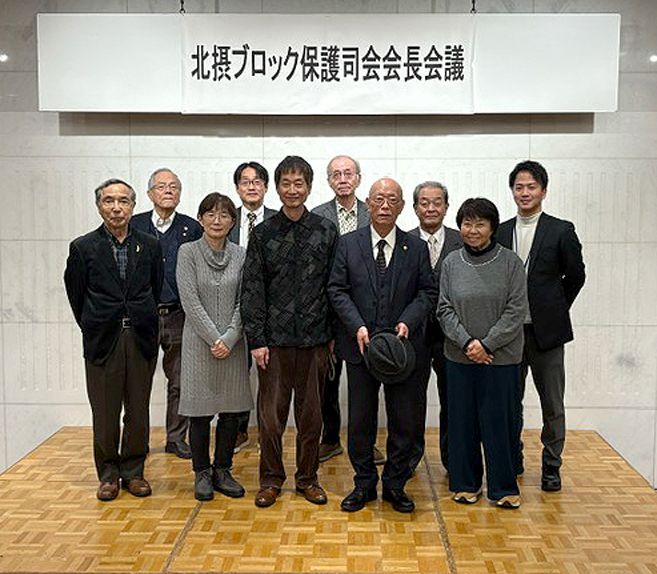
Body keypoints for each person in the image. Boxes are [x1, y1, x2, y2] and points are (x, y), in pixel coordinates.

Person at [328, 177, 437, 513]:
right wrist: (357, 326)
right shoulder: (348, 244)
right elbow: (336, 289)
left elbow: (427, 292)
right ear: (368, 204)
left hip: (402, 350)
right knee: (360, 420)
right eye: (378, 199)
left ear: (402, 206)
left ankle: (395, 484)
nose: (385, 205)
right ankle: (363, 484)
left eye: (392, 199)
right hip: (360, 348)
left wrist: (408, 321)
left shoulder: (415, 247)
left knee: (404, 420)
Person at [241, 155, 338, 508]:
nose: (292, 190)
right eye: (286, 183)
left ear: (309, 188)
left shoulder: (326, 230)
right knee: (270, 418)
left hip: (315, 340)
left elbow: (335, 285)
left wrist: (332, 336)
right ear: (277, 188)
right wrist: (257, 340)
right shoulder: (262, 233)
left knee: (311, 418)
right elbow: (252, 289)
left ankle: (308, 479)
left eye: (299, 183)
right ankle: (270, 479)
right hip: (274, 343)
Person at [64, 178, 163, 501]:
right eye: (109, 201)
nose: (116, 208)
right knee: (105, 412)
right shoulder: (83, 247)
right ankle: (108, 475)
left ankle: (134, 472)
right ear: (99, 207)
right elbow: (76, 295)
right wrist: (93, 324)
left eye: (123, 201)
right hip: (103, 340)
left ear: (133, 206)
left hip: (140, 337)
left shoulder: (150, 245)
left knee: (138, 410)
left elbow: (155, 288)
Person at [497, 160, 585, 491]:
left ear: (543, 191)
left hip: (546, 334)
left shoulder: (561, 230)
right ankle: (514, 458)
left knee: (552, 404)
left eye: (531, 187)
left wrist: (555, 308)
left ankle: (551, 465)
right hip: (509, 334)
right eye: (519, 187)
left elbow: (576, 275)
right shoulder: (501, 231)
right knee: (509, 402)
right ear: (512, 191)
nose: (525, 192)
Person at [438, 198, 528, 508]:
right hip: (459, 357)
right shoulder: (451, 262)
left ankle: (503, 488)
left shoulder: (511, 262)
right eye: (467, 223)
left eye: (480, 224)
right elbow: (444, 308)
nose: (473, 230)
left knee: (500, 424)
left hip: (501, 359)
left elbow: (516, 310)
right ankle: (465, 484)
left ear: (492, 227)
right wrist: (467, 343)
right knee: (462, 423)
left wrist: (487, 344)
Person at [176, 193, 253, 501]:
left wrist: (230, 337)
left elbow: (245, 300)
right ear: (200, 219)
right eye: (210, 214)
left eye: (224, 215)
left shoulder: (241, 255)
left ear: (233, 222)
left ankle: (223, 469)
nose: (217, 220)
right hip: (198, 344)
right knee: (199, 413)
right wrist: (214, 338)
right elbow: (189, 300)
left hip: (233, 345)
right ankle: (202, 472)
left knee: (231, 411)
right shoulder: (187, 252)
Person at [310, 154, 378, 464]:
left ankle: (365, 442)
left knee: (367, 383)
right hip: (328, 309)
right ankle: (330, 438)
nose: (343, 179)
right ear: (328, 181)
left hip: (365, 311)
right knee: (328, 381)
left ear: (358, 179)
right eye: (336, 174)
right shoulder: (318, 215)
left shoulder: (373, 212)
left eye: (348, 173)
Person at [132, 168, 202, 460]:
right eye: (162, 186)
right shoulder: (134, 225)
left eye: (174, 186)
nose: (168, 190)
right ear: (150, 194)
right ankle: (137, 441)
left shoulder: (191, 228)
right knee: (138, 382)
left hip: (178, 315)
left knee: (180, 381)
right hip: (142, 316)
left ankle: (176, 438)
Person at [408, 181, 462, 473]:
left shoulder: (461, 240)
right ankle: (409, 459)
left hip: (451, 336)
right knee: (411, 401)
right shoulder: (403, 241)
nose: (431, 208)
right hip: (413, 335)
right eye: (424, 203)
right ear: (415, 207)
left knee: (452, 400)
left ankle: (453, 460)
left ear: (446, 206)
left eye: (437, 202)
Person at [227, 161, 276, 454]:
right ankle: (238, 430)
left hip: (268, 308)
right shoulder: (226, 219)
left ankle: (267, 433)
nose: (252, 187)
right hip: (232, 306)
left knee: (268, 375)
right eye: (245, 182)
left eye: (257, 181)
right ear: (237, 188)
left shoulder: (277, 220)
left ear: (266, 187)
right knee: (236, 373)